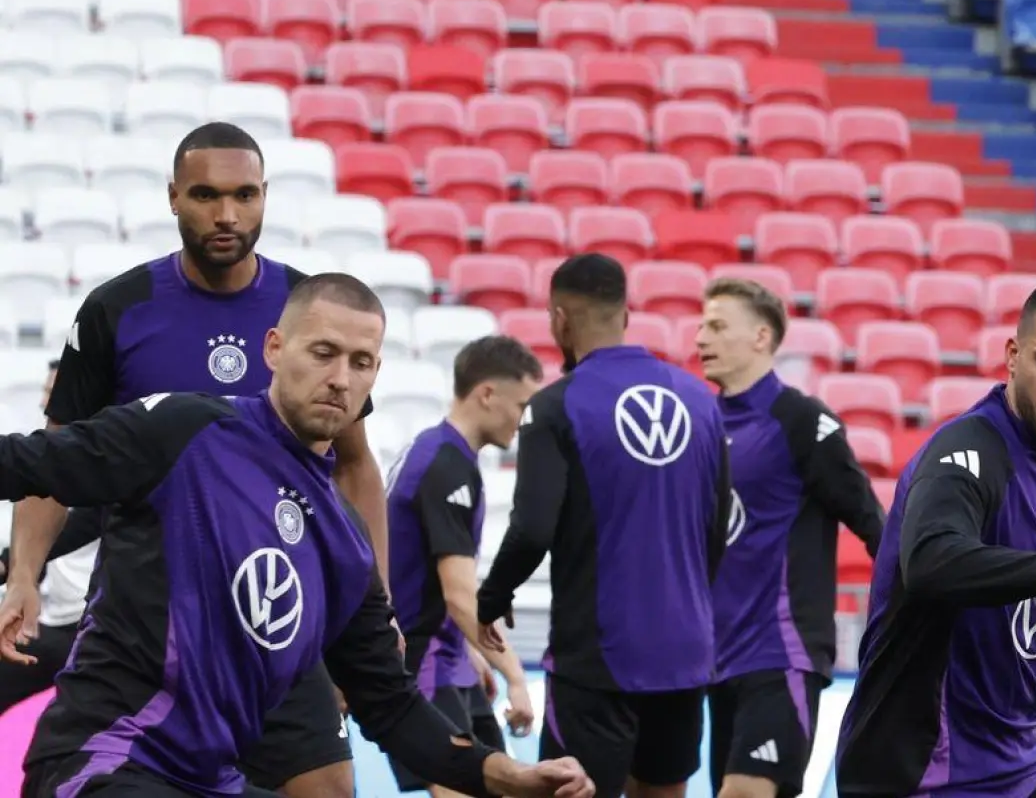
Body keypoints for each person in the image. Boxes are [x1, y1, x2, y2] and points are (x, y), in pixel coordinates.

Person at [0, 273, 595, 798]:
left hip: (209, 779)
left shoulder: (344, 539)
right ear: (275, 349)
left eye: (359, 363)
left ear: (374, 376)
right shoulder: (186, 430)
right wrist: (21, 569)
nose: (340, 378)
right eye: (323, 353)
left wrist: (506, 775)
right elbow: (32, 463)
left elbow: (390, 705)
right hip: (105, 761)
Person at [0, 123, 389, 798]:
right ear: (174, 197)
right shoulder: (116, 311)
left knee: (328, 789)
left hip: (276, 611)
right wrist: (24, 574)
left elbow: (355, 467)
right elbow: (57, 463)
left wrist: (370, 611)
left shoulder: (313, 310)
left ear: (266, 197)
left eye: (244, 195)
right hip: (157, 620)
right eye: (207, 195)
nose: (227, 214)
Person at [833, 275, 1036, 798]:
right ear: (1013, 355)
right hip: (931, 774)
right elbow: (932, 562)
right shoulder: (969, 451)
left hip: (1013, 766)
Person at [477, 253, 733, 798]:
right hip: (685, 651)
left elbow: (531, 529)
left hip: (599, 656)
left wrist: (492, 596)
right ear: (626, 312)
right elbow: (716, 530)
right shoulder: (702, 403)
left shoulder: (553, 406)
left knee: (570, 788)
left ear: (559, 319)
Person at [695, 278, 886, 798]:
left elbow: (873, 524)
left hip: (781, 652)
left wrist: (912, 615)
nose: (699, 337)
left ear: (761, 337)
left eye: (715, 326)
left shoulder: (801, 420)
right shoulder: (699, 424)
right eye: (699, 325)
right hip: (714, 659)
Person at [386, 336, 544, 797]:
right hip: (422, 660)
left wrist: (472, 650)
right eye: (522, 405)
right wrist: (517, 676)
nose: (524, 420)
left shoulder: (441, 451)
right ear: (487, 394)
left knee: (502, 786)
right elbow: (459, 597)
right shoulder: (446, 466)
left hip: (449, 654)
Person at [0, 360, 98, 714]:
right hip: (46, 617)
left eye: (53, 394)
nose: (45, 402)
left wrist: (8, 562)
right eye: (44, 392)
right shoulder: (42, 454)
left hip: (86, 624)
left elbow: (82, 526)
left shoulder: (105, 464)